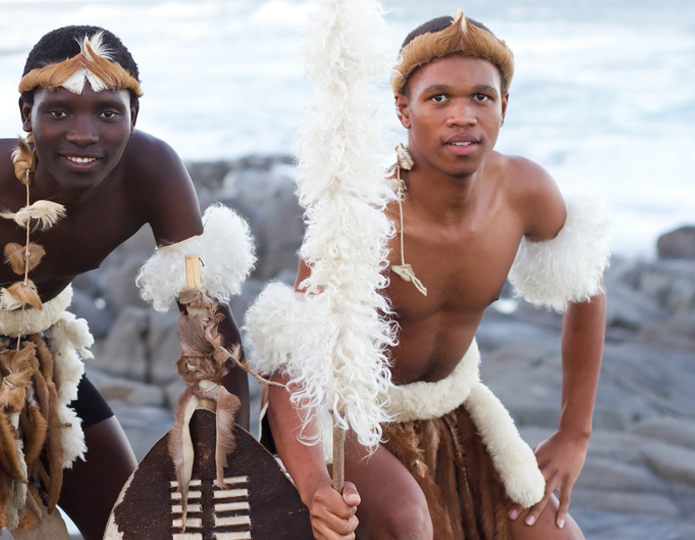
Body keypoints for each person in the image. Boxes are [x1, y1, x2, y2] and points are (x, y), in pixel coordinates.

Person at [0, 25, 253, 540]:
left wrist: (230, 452)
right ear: (26, 117)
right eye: (58, 111)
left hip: (43, 351)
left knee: (138, 526)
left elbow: (210, 323)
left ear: (134, 116)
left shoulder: (153, 171)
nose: (84, 134)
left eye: (107, 112)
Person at [250, 11, 609, 540]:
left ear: (504, 107)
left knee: (557, 535)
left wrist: (575, 431)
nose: (462, 115)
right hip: (350, 416)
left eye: (481, 97)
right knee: (406, 521)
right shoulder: (362, 213)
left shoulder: (524, 192)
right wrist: (314, 488)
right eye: (438, 97)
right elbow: (289, 367)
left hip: (449, 406)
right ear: (404, 109)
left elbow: (586, 285)